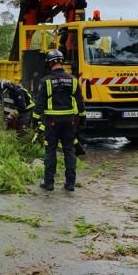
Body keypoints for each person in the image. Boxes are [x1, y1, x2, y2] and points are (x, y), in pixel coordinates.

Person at [32, 50, 86, 191]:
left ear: (49, 63)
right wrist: (82, 118)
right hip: (70, 122)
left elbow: (40, 103)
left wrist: (35, 120)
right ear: (61, 62)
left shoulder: (46, 81)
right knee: (69, 150)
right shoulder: (73, 80)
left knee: (51, 151)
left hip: (52, 122)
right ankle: (70, 184)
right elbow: (80, 102)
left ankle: (49, 183)